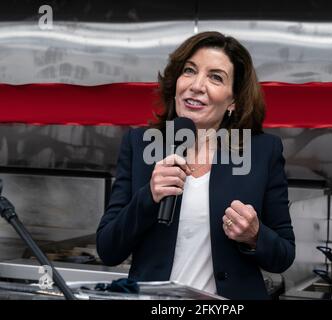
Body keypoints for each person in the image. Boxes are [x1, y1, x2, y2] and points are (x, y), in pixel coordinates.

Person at [96, 31, 295, 300]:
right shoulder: (141, 145)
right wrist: (149, 196)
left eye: (215, 77)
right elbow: (108, 249)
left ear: (233, 100)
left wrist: (254, 235)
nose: (196, 85)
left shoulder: (260, 151)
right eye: (189, 71)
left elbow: (284, 254)